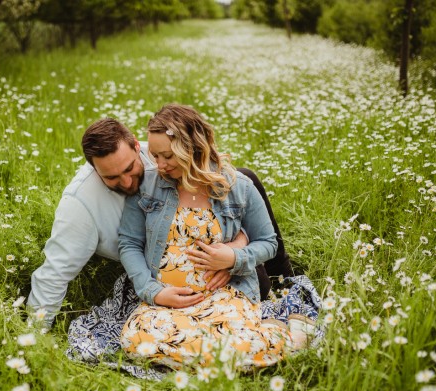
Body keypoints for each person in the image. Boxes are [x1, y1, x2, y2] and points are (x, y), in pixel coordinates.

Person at [27, 117, 296, 328]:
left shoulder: (160, 158)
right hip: (158, 276)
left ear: (137, 146)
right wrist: (34, 337)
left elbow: (224, 198)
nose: (128, 183)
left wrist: (235, 252)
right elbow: (54, 274)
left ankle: (286, 278)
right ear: (93, 170)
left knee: (244, 176)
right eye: (111, 178)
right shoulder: (79, 206)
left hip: (218, 264)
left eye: (130, 168)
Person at [118, 104, 313, 370]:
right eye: (154, 156)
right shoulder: (148, 187)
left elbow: (269, 243)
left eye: (167, 156)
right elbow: (129, 243)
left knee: (223, 341)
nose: (159, 165)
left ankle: (261, 341)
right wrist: (153, 292)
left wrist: (233, 258)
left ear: (192, 148)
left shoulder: (238, 187)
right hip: (164, 305)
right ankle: (271, 341)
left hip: (225, 296)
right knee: (137, 340)